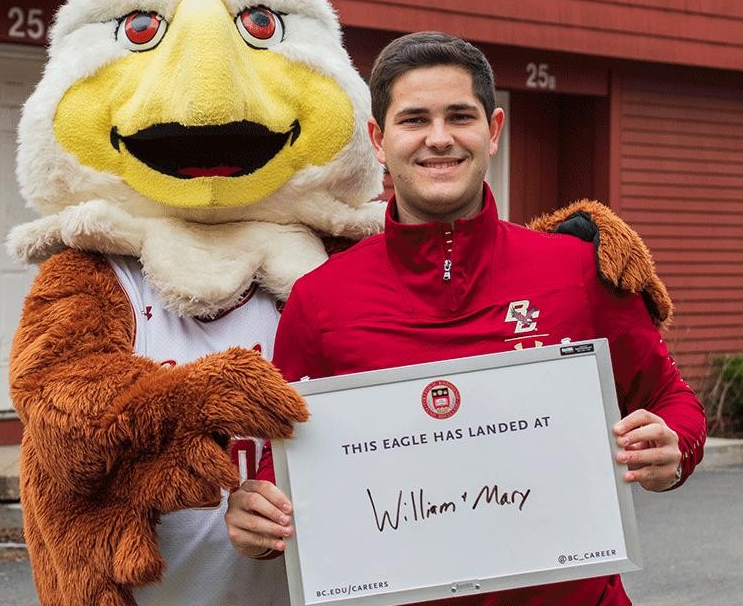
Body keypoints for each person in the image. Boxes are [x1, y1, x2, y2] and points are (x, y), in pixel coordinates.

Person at [225, 31, 707, 604]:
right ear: (379, 140)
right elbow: (291, 467)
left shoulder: (579, 270)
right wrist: (259, 517)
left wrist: (673, 447)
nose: (438, 138)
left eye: (459, 116)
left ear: (493, 130)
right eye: (414, 120)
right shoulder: (320, 299)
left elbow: (672, 398)